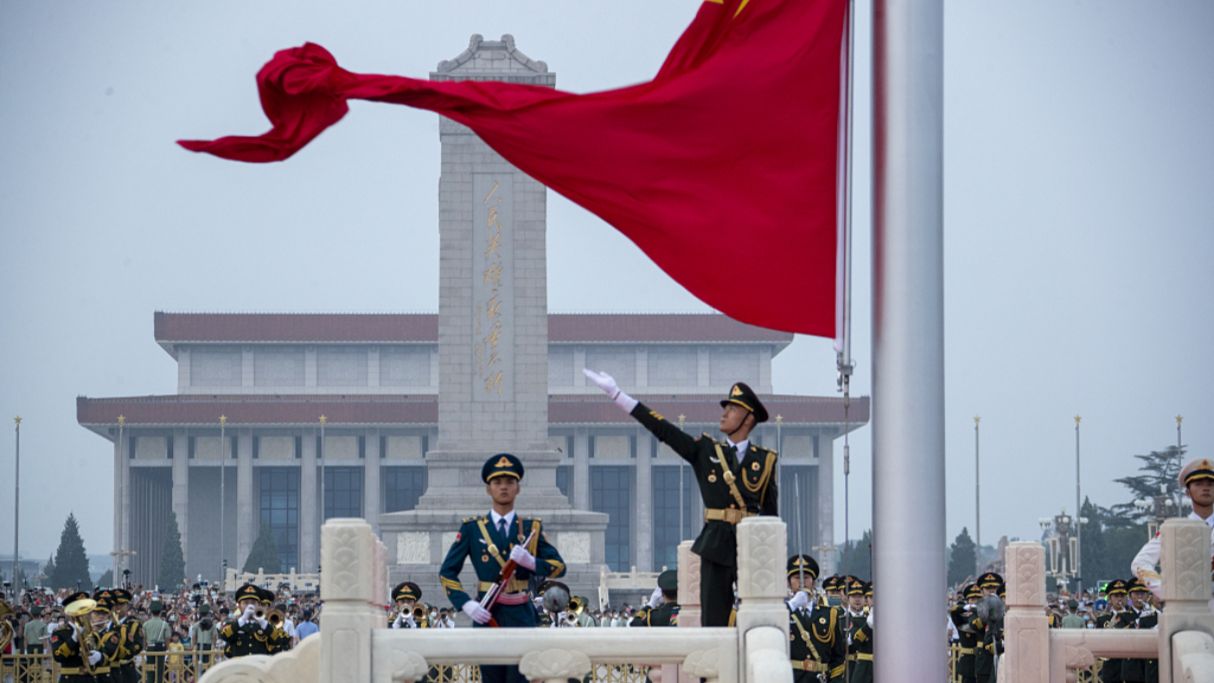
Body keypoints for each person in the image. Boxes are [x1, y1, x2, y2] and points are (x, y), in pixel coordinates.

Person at [583, 370, 778, 627]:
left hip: (751, 545)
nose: (724, 413)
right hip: (716, 544)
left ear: (748, 418)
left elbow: (771, 516)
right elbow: (664, 430)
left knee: (759, 618)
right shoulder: (707, 451)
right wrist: (618, 395)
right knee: (714, 622)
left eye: (732, 408)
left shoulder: (765, 460)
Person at [439, 452, 566, 683]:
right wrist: (466, 604)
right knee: (492, 679)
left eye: (510, 482)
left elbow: (559, 567)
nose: (504, 487)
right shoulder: (473, 529)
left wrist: (531, 562)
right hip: (488, 612)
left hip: (521, 614)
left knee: (520, 679)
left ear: (518, 488)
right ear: (489, 489)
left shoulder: (531, 529)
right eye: (497, 483)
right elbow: (447, 573)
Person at [1131, 457, 1214, 600]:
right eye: (1198, 484)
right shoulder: (1175, 529)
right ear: (1187, 492)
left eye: (1211, 484)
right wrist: (1168, 592)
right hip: (1190, 610)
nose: (1205, 488)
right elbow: (1140, 564)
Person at [785, 555, 846, 682]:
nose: (802, 582)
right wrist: (792, 606)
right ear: (789, 583)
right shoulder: (783, 612)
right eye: (797, 578)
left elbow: (838, 658)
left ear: (813, 582)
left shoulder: (829, 614)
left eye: (806, 578)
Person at [219, 584, 273, 658]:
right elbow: (223, 635)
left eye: (253, 603)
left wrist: (262, 622)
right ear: (239, 606)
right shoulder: (233, 624)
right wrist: (243, 619)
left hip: (259, 667)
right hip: (240, 667)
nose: (249, 606)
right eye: (246, 603)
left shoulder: (265, 625)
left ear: (258, 605)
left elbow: (278, 639)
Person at [187, 603, 218, 669]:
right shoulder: (213, 625)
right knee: (208, 666)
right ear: (208, 614)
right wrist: (214, 646)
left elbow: (194, 638)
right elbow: (214, 638)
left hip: (198, 647)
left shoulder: (196, 625)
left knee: (199, 667)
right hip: (209, 647)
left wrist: (194, 647)